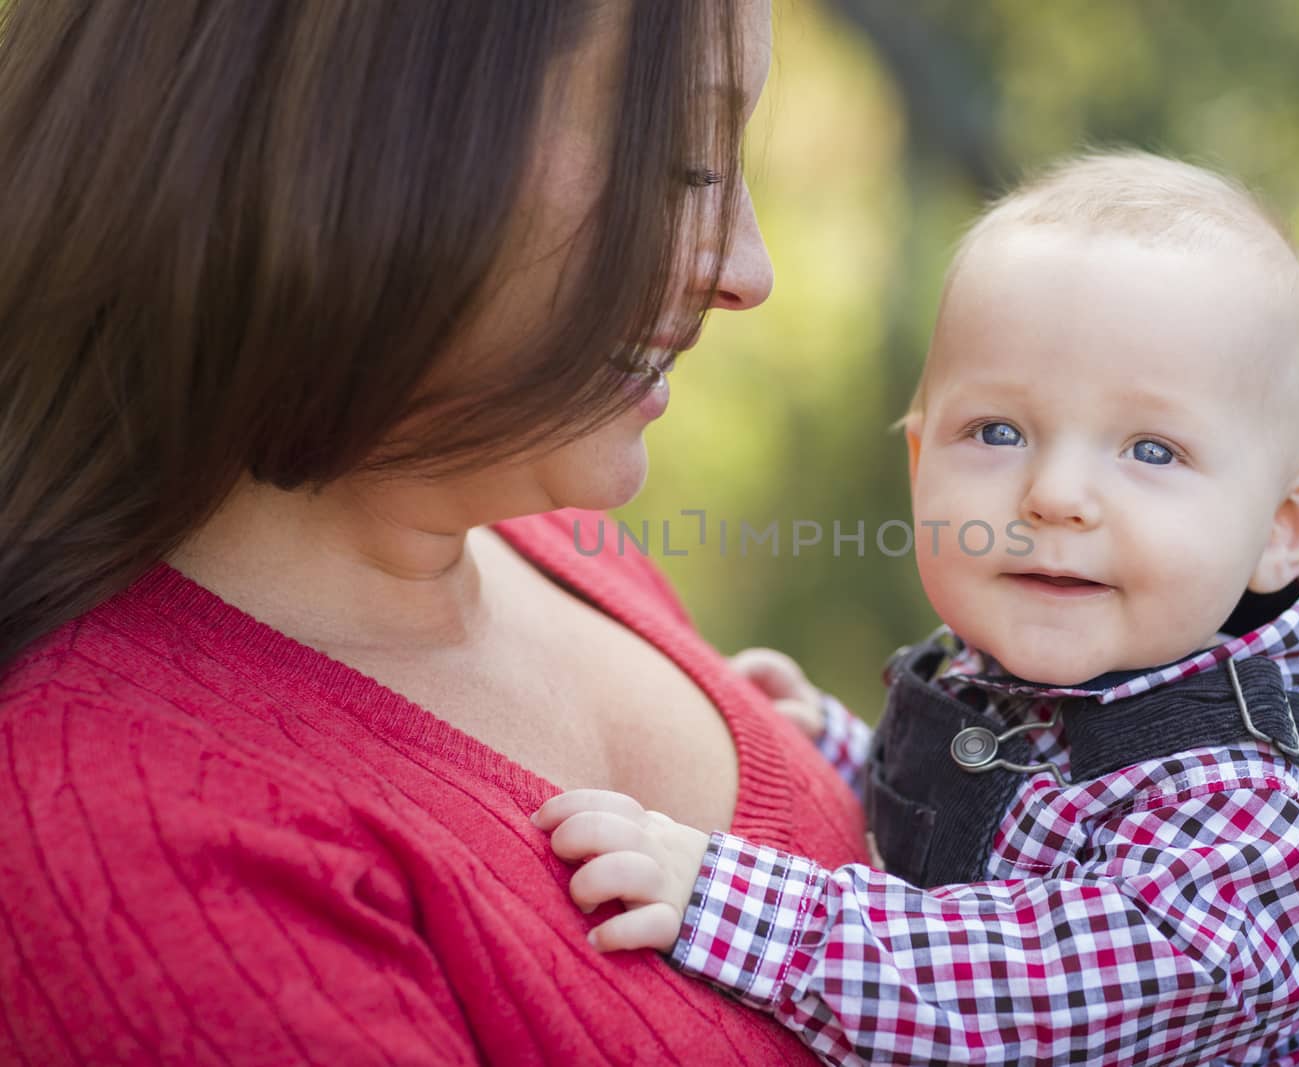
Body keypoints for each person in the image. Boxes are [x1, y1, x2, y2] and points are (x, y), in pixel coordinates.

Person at [0, 2, 873, 1063]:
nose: (747, 270)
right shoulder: (125, 851)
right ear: (359, 133)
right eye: (684, 163)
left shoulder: (544, 537)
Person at [536, 151, 1299, 1065]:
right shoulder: (1016, 677)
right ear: (920, 467)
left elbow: (1012, 989)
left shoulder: (1256, 826)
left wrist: (726, 900)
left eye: (1151, 450)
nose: (1056, 494)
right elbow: (988, 832)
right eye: (997, 432)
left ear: (1281, 525)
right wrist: (833, 748)